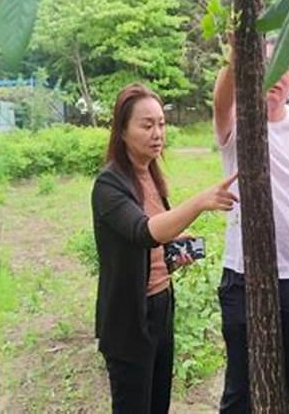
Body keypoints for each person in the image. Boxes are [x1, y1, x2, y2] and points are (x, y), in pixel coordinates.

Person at [92, 83, 238, 414]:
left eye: (161, 123)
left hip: (161, 304)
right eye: (146, 125)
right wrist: (200, 202)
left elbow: (157, 233)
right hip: (129, 317)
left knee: (159, 403)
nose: (157, 132)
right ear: (122, 131)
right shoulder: (108, 184)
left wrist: (175, 244)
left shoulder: (151, 176)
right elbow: (142, 232)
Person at [214, 45, 289, 413]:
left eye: (285, 67)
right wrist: (236, 56)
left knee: (285, 376)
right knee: (240, 383)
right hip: (242, 272)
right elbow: (221, 102)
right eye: (266, 66)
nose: (276, 75)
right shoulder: (239, 124)